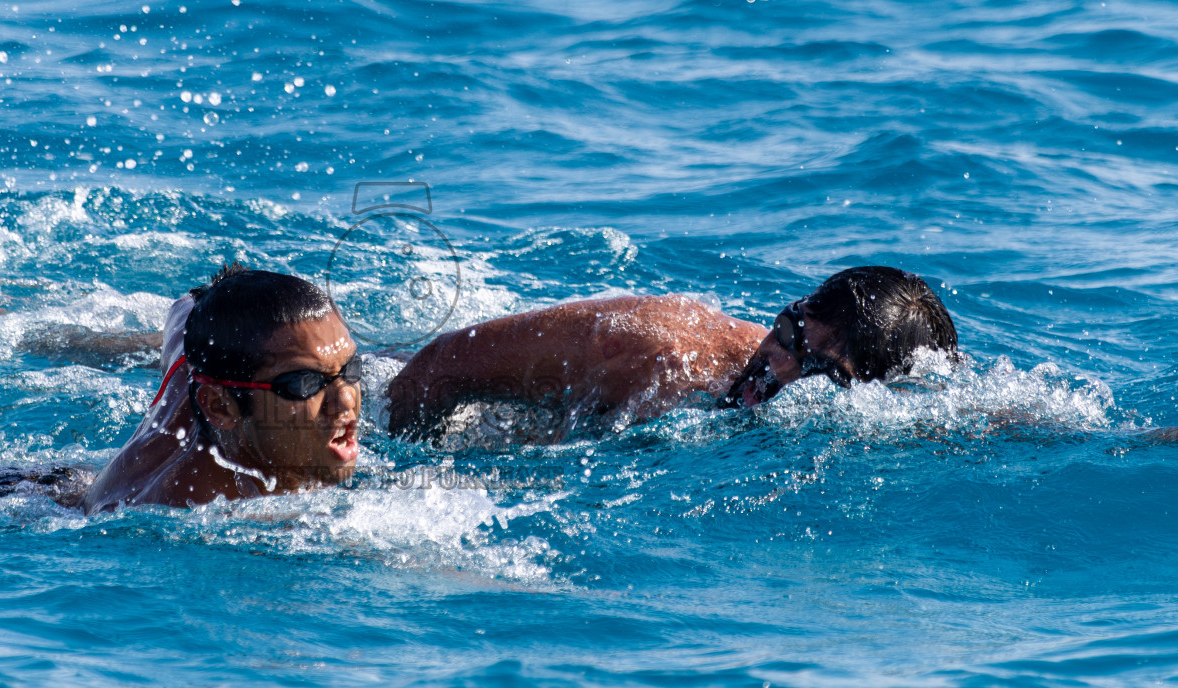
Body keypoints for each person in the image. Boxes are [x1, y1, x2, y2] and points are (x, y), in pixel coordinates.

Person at [386, 265, 958, 439]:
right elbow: (432, 370)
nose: (779, 365)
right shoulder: (651, 353)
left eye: (821, 370)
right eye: (786, 335)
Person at [79, 265, 361, 513]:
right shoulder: (189, 509)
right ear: (220, 407)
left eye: (352, 368)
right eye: (304, 383)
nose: (347, 399)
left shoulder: (198, 360)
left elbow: (186, 307)